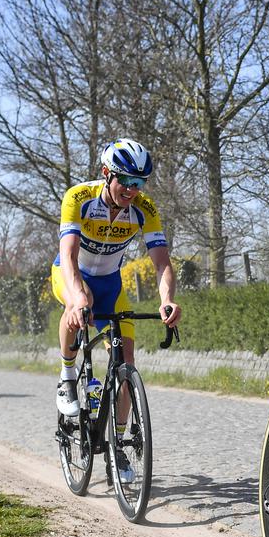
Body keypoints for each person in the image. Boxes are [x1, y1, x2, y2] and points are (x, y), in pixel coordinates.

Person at [51, 138, 181, 482]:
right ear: (107, 173)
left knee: (126, 362)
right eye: (125, 180)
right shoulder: (78, 198)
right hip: (71, 272)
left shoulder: (145, 209)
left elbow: (161, 263)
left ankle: (116, 447)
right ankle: (67, 377)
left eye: (140, 183)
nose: (132, 189)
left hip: (110, 282)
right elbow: (68, 254)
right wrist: (77, 296)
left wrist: (166, 298)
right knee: (79, 304)